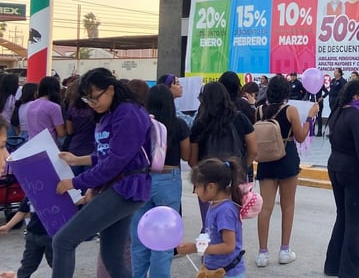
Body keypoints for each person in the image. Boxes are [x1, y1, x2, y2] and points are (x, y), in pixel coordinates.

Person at [54, 68, 152, 278]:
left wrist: (76, 182)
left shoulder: (128, 113)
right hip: (118, 186)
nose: (92, 103)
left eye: (94, 98)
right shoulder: (110, 113)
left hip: (126, 188)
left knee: (63, 241)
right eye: (87, 100)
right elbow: (109, 155)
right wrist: (79, 162)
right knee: (112, 257)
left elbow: (115, 161)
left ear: (110, 89)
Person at [254, 75, 318, 267]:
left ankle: (262, 253)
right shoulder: (290, 110)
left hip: (265, 159)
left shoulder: (258, 111)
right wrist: (309, 119)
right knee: (288, 206)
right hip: (287, 158)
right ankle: (284, 250)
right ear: (286, 92)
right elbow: (300, 137)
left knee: (265, 208)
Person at [130, 85, 191, 278]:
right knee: (164, 241)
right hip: (168, 179)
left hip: (141, 178)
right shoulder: (179, 124)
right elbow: (187, 155)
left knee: (139, 238)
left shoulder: (139, 124)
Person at [323, 79, 359, 278]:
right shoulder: (357, 117)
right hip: (354, 172)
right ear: (356, 97)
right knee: (354, 221)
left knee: (343, 216)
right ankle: (353, 270)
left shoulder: (338, 112)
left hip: (336, 167)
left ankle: (333, 264)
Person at [190, 82, 257, 227]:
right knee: (233, 220)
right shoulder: (241, 119)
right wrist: (239, 167)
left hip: (207, 177)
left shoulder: (200, 123)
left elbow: (192, 159)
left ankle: (210, 244)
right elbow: (253, 150)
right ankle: (233, 246)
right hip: (234, 176)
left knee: (208, 222)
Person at [176, 158, 246, 278]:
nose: (195, 192)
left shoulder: (225, 211)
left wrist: (195, 247)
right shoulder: (214, 205)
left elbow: (229, 246)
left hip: (228, 273)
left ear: (211, 187)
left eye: (197, 187)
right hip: (214, 269)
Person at [0, 197, 53, 278]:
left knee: (56, 263)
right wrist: (8, 226)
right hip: (33, 233)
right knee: (27, 265)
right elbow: (22, 211)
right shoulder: (31, 192)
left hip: (52, 235)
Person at [62, 80, 96, 176]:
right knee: (89, 182)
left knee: (73, 183)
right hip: (91, 149)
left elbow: (69, 130)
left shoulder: (72, 107)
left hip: (75, 147)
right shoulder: (95, 108)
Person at [26, 76, 66, 143]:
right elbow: (61, 133)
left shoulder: (30, 105)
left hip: (32, 143)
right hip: (48, 145)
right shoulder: (54, 107)